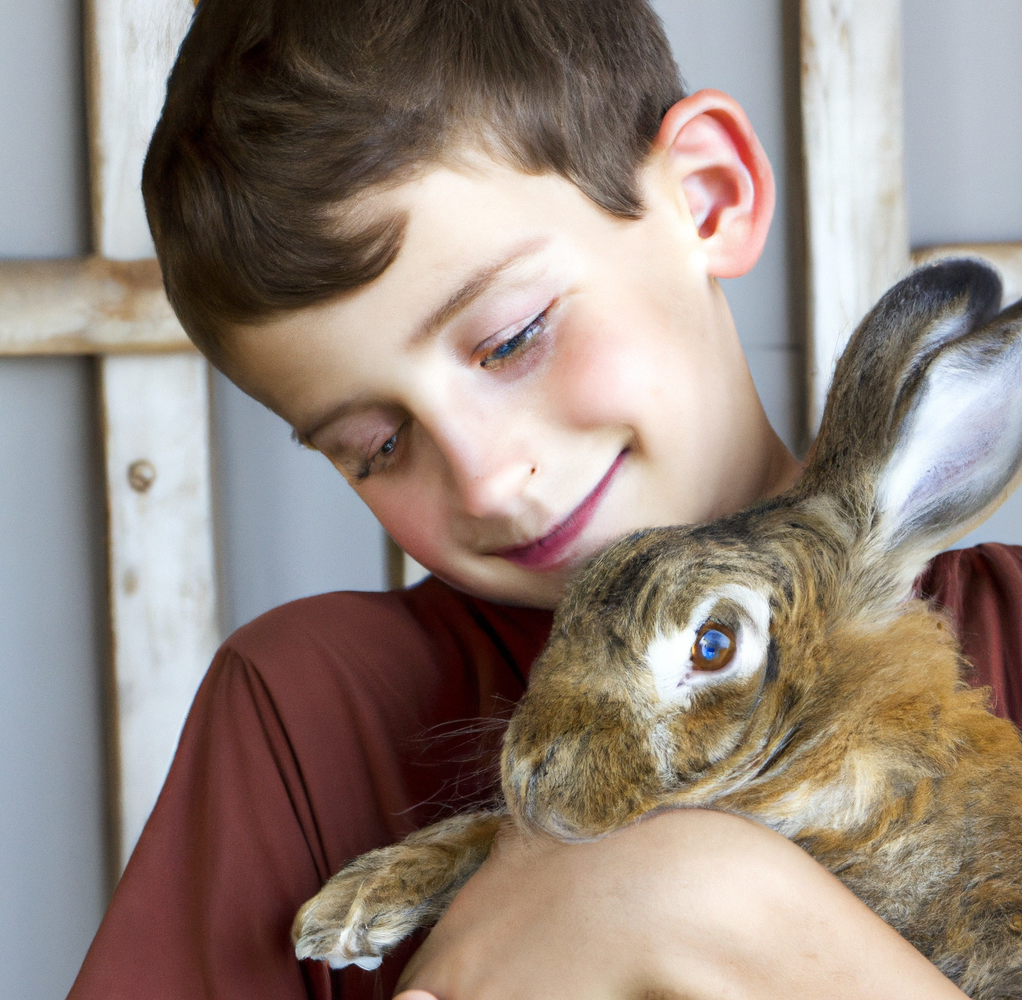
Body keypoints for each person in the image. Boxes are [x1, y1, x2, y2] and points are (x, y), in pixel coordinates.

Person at [67, 1, 1022, 997]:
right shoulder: (305, 711)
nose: (484, 477)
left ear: (705, 198)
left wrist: (688, 895)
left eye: (512, 338)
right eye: (375, 444)